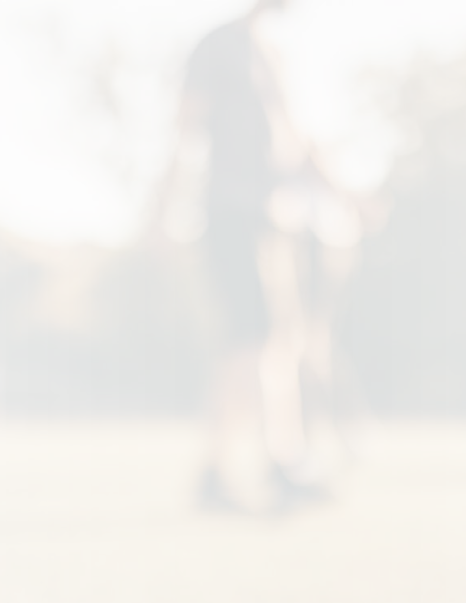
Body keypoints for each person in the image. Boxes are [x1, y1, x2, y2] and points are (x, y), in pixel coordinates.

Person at [146, 0, 382, 514]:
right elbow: (184, 132)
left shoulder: (273, 54)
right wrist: (161, 214)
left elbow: (295, 141)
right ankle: (285, 460)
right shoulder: (218, 46)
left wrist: (347, 196)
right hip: (233, 214)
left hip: (280, 219)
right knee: (262, 340)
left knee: (246, 348)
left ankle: (212, 473)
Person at [289, 174, 386, 463]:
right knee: (301, 345)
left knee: (306, 343)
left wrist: (351, 198)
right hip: (308, 235)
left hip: (315, 237)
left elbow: (308, 154)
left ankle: (325, 436)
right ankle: (316, 438)